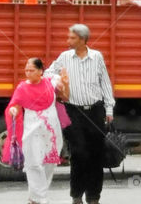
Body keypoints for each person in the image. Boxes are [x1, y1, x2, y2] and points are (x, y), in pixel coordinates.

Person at [46, 24, 115, 204]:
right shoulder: (64, 57)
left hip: (95, 109)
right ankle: (76, 195)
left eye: (72, 38)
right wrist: (58, 83)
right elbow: (47, 74)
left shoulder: (97, 57)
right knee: (79, 153)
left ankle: (93, 197)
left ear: (83, 40)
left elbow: (105, 83)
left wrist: (109, 109)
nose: (68, 41)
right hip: (72, 111)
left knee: (96, 154)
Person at [4, 58, 69, 204]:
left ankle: (37, 197)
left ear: (41, 71)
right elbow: (15, 105)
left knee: (49, 163)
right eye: (26, 70)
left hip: (51, 130)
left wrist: (64, 83)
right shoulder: (22, 87)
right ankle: (39, 198)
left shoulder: (51, 82)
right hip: (32, 130)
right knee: (33, 163)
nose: (28, 73)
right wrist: (14, 110)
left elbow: (64, 93)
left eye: (31, 70)